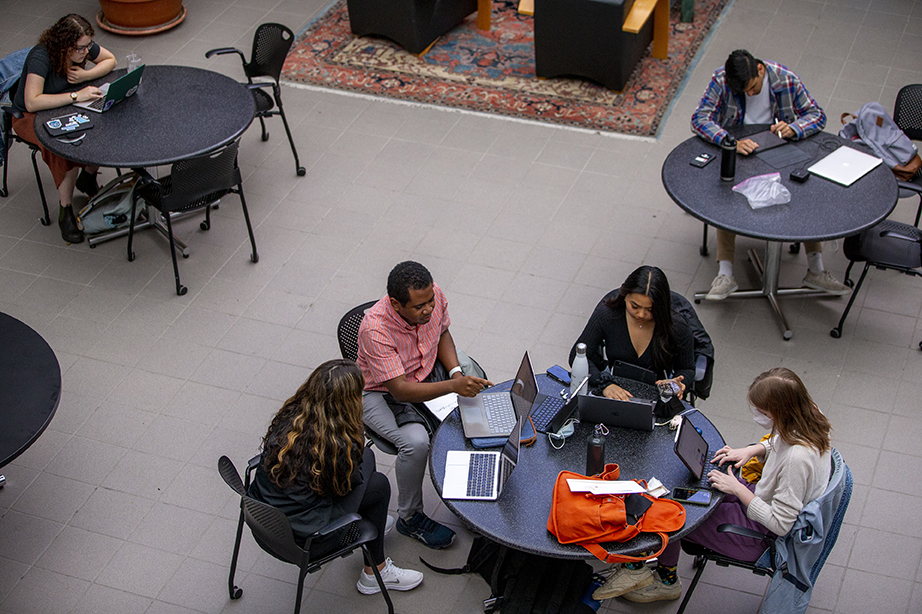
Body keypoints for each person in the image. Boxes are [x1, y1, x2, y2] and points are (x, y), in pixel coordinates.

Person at [594, 367, 832, 602]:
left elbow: (780, 524)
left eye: (761, 411)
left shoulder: (795, 461)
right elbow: (782, 440)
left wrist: (737, 488)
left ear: (779, 411)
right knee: (698, 486)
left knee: (672, 514)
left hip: (760, 533)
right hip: (760, 497)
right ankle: (646, 564)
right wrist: (754, 450)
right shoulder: (809, 415)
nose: (757, 415)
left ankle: (666, 583)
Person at [248, 359, 425, 595]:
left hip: (265, 518)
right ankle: (375, 573)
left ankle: (374, 520)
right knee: (378, 485)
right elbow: (346, 486)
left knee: (367, 457)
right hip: (307, 538)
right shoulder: (337, 445)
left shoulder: (291, 417)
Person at [691, 49, 848, 300]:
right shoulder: (721, 80)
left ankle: (816, 271)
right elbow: (699, 118)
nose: (749, 95)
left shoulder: (786, 79)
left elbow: (817, 115)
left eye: (752, 88)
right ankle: (725, 274)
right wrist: (729, 141)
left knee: (803, 191)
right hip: (740, 149)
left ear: (760, 70)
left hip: (778, 149)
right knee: (727, 197)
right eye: (743, 93)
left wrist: (794, 128)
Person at [356, 261, 492, 549]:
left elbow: (442, 333)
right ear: (395, 304)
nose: (428, 309)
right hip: (383, 390)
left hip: (424, 367)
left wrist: (456, 373)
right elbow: (401, 391)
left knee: (475, 383)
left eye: (430, 301)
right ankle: (410, 517)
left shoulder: (434, 296)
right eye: (420, 307)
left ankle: (472, 493)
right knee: (416, 443)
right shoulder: (375, 329)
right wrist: (454, 387)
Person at [9, 14, 116, 244]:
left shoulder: (82, 46)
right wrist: (77, 94)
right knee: (60, 145)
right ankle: (65, 210)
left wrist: (86, 75)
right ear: (65, 45)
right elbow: (32, 102)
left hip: (66, 106)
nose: (86, 52)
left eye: (89, 46)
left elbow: (110, 60)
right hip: (31, 116)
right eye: (81, 48)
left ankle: (87, 178)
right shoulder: (42, 56)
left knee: (103, 125)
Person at [569, 265, 694, 405]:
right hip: (614, 389)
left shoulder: (677, 326)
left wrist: (678, 383)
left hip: (656, 396)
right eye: (634, 306)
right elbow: (577, 356)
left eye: (650, 310)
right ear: (624, 296)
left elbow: (687, 368)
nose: (641, 314)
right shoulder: (607, 315)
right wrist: (604, 384)